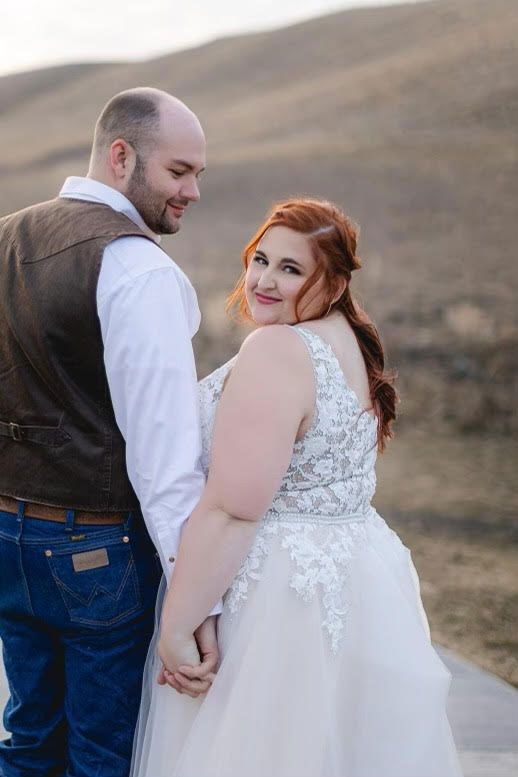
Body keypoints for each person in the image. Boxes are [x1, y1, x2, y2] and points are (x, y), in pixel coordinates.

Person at [131, 198, 463, 777]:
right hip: (358, 581)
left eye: (290, 269)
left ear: (333, 283)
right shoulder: (351, 341)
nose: (263, 281)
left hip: (279, 599)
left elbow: (235, 509)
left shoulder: (279, 349)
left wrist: (179, 626)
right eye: (260, 260)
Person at [0, 87, 218, 777]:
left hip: (7, 536)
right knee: (103, 756)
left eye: (197, 175)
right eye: (178, 171)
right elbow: (165, 461)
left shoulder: (3, 237)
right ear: (121, 156)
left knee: (31, 740)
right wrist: (194, 601)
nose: (192, 191)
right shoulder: (138, 269)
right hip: (96, 553)